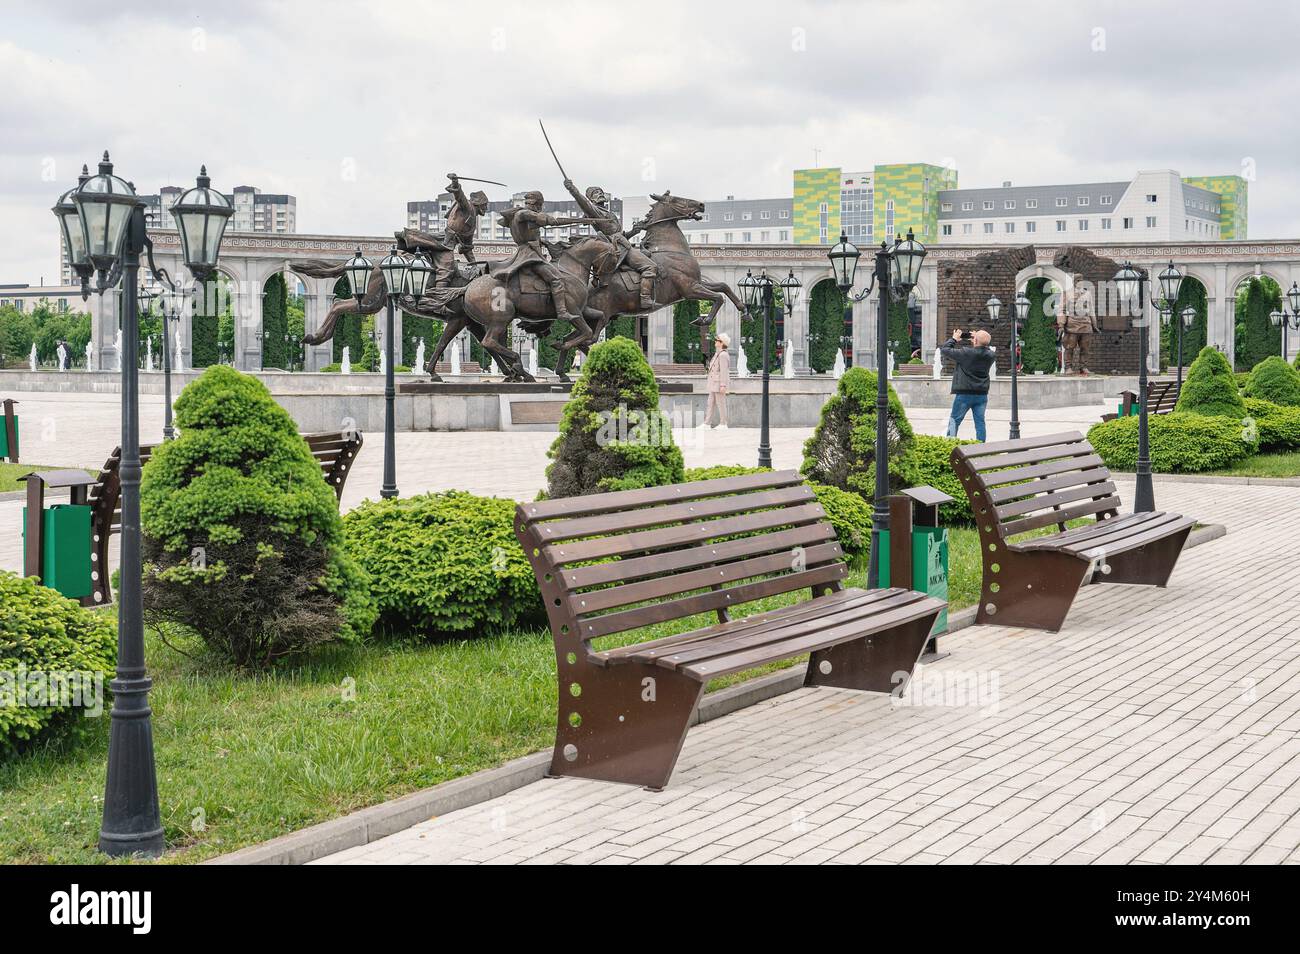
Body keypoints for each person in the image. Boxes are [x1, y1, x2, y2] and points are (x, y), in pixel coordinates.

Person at [562, 178, 660, 310]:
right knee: (650, 267)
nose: (600, 194)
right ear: (590, 199)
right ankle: (645, 299)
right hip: (617, 250)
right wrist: (572, 189)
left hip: (623, 245)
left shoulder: (609, 213)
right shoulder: (594, 211)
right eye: (595, 193)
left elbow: (619, 235)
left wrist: (633, 232)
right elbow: (582, 202)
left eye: (601, 191)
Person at [940, 327, 996, 442]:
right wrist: (978, 339)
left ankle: (949, 445)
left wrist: (954, 339)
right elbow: (985, 346)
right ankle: (981, 447)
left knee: (954, 420)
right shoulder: (991, 355)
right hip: (981, 395)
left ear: (974, 341)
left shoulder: (966, 353)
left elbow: (945, 349)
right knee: (980, 422)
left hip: (964, 394)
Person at [1057, 273, 1098, 374]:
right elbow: (1061, 309)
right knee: (1069, 347)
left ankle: (1083, 367)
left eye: (1081, 280)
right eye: (1078, 280)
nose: (1080, 282)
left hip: (1086, 325)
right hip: (1072, 325)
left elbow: (1091, 310)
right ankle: (1068, 367)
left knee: (1085, 348)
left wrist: (1094, 324)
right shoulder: (1067, 293)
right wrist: (1061, 324)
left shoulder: (1087, 294)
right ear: (1074, 282)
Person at [702, 332, 731, 429]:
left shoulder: (723, 355)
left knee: (721, 403)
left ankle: (723, 423)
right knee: (710, 403)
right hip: (713, 383)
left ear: (722, 343)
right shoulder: (717, 354)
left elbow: (724, 372)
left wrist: (723, 385)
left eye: (717, 340)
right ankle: (707, 423)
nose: (715, 341)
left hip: (718, 384)